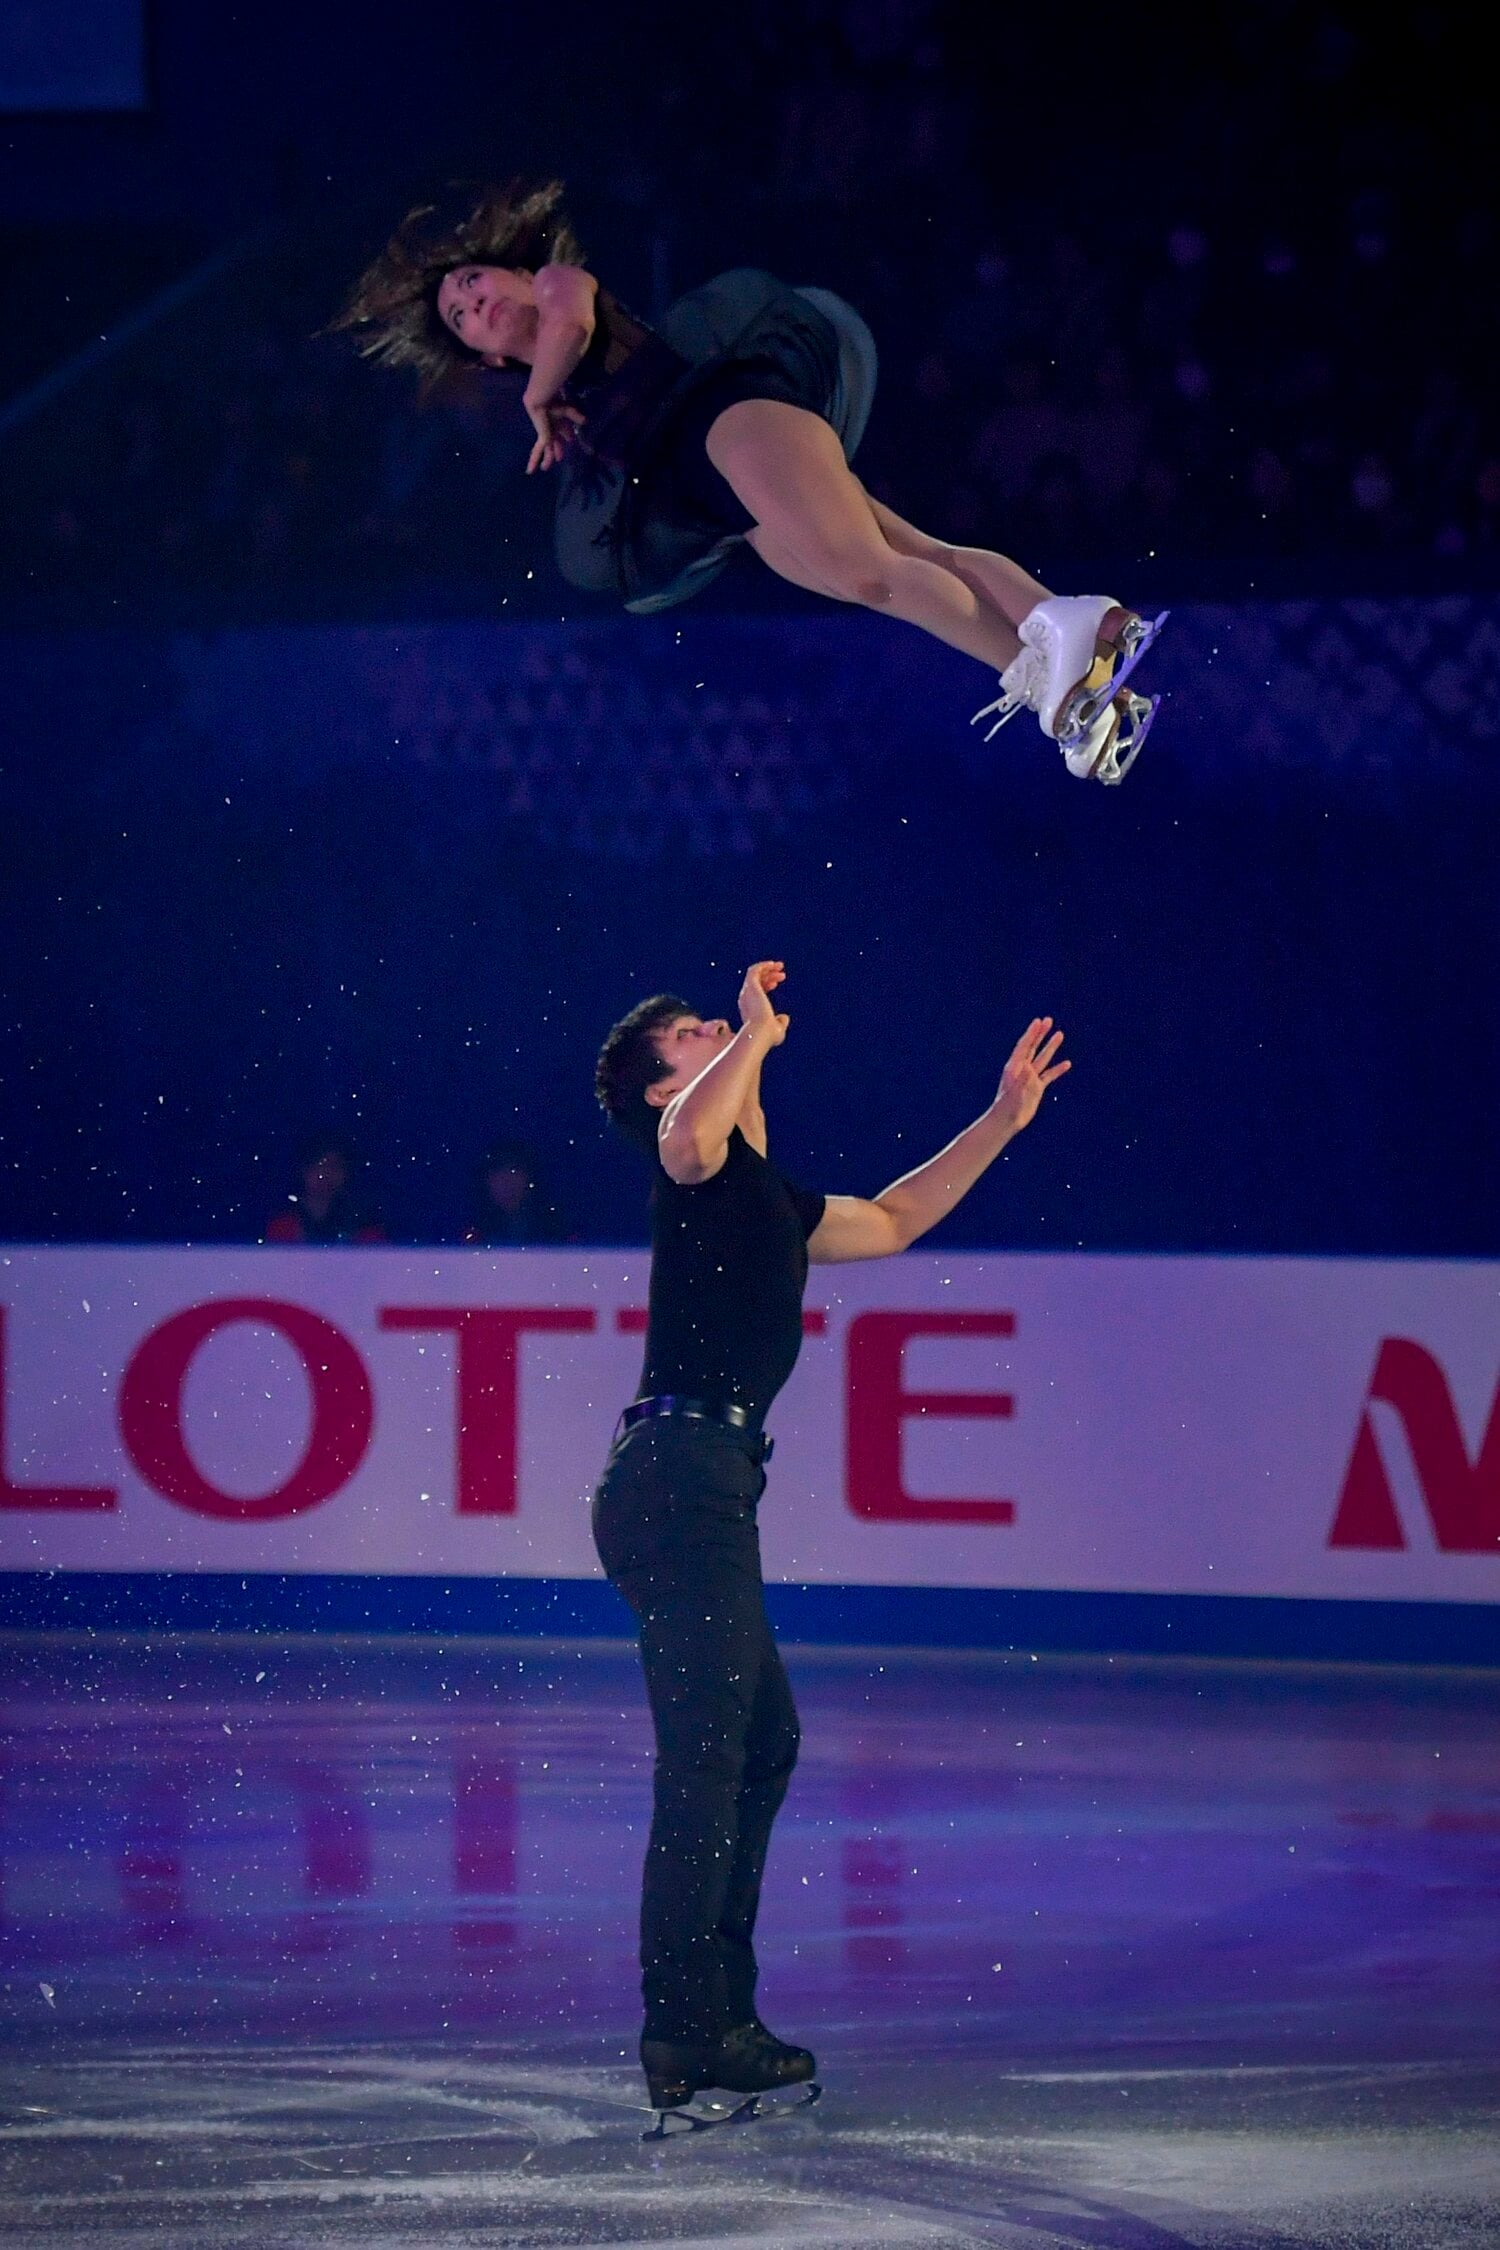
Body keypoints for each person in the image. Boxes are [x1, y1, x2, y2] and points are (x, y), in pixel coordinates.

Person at [592, 960, 1069, 2122]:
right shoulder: (690, 1167)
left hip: (709, 1483)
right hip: (677, 1478)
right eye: (687, 1036)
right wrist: (745, 1038)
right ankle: (689, 2028)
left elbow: (899, 1218)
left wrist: (999, 1121)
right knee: (710, 1759)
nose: (714, 1026)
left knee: (761, 1743)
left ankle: (712, 2015)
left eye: (712, 1021)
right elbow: (695, 1133)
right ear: (668, 1090)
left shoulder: (762, 1192)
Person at [335, 181, 1164, 784]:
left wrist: (538, 393)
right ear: (477, 353)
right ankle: (1071, 664)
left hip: (731, 415)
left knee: (867, 569)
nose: (473, 300)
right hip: (718, 490)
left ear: (513, 274)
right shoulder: (550, 398)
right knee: (910, 560)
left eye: (473, 281)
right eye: (457, 314)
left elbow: (575, 323)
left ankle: (1065, 651)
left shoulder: (557, 290)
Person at [261, 1131, 386, 1245]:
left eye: (335, 1166)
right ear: (303, 1169)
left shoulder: (363, 1225)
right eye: (319, 1165)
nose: (326, 1173)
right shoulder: (281, 1223)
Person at [462, 1136, 566, 1246]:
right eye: (499, 1173)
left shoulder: (556, 1232)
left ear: (530, 1177)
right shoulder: (470, 1234)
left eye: (515, 1171)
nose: (507, 1181)